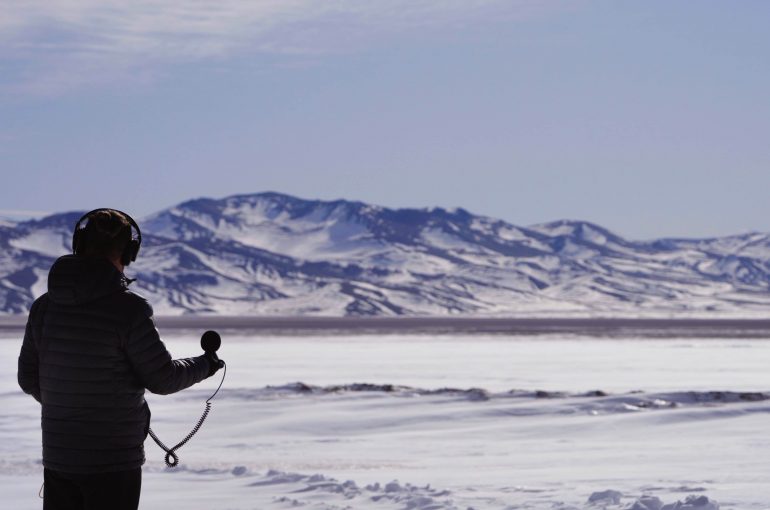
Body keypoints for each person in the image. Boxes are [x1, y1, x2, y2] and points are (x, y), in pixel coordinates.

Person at [17, 208, 221, 510]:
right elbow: (163, 378)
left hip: (60, 459)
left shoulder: (44, 307)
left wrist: (68, 405)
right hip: (112, 463)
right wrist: (206, 364)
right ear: (129, 252)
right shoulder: (128, 310)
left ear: (79, 244)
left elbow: (28, 378)